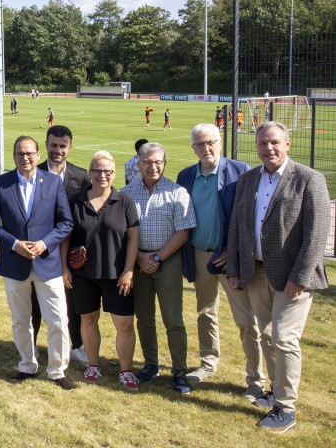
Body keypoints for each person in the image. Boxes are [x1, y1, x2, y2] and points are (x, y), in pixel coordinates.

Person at [227, 121, 330, 433]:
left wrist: (299, 276)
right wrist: (234, 267)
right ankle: (274, 391)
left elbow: (317, 235)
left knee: (283, 338)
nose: (268, 149)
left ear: (287, 145)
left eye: (274, 143)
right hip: (256, 273)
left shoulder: (310, 179)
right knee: (266, 335)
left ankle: (285, 407)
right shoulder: (247, 179)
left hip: (292, 276)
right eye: (262, 144)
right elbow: (237, 226)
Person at [0, 135, 77, 390]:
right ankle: (27, 365)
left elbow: (65, 222)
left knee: (57, 319)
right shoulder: (1, 184)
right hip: (15, 264)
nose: (25, 158)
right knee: (21, 319)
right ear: (14, 156)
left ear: (38, 154)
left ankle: (57, 370)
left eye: (30, 153)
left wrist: (45, 243)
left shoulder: (53, 183)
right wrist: (15, 244)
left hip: (48, 263)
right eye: (20, 154)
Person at [175, 124, 263, 394]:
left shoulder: (240, 172)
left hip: (230, 257)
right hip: (200, 255)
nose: (206, 149)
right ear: (193, 148)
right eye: (199, 145)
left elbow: (250, 218)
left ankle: (255, 379)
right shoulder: (186, 175)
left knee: (246, 319)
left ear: (220, 142)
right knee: (205, 312)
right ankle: (208, 361)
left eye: (210, 142)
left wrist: (231, 249)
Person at [120, 142, 196, 394]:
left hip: (168, 261)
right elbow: (122, 232)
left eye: (158, 162)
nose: (153, 166)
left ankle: (179, 370)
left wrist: (158, 258)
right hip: (138, 262)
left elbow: (183, 232)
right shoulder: (127, 193)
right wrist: (141, 258)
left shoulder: (177, 192)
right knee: (144, 318)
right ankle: (151, 364)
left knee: (173, 319)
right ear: (139, 164)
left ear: (164, 163)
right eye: (148, 162)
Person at [61, 151, 140, 390]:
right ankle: (93, 364)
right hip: (84, 274)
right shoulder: (76, 200)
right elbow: (66, 236)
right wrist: (64, 267)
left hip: (117, 274)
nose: (102, 175)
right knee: (88, 318)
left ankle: (125, 370)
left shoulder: (124, 201)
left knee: (125, 324)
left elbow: (133, 238)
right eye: (97, 170)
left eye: (107, 171)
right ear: (89, 173)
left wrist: (128, 271)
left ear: (114, 174)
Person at [35, 125, 92, 366]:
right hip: (38, 248)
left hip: (71, 249)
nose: (58, 150)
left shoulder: (81, 177)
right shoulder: (32, 172)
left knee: (72, 301)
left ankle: (77, 345)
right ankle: (32, 346)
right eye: (53, 145)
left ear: (70, 147)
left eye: (62, 146)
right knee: (34, 301)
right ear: (46, 145)